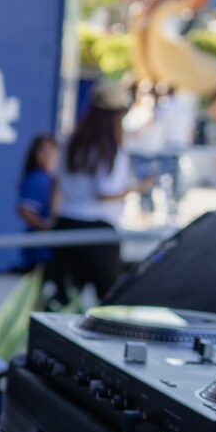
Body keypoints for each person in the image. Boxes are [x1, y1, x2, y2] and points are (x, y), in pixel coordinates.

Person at [52, 82, 136, 300]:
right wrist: (135, 188)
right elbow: (106, 192)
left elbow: (57, 181)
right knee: (110, 300)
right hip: (98, 229)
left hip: (66, 223)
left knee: (63, 299)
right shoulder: (110, 148)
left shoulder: (70, 140)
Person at [16, 132, 59, 274]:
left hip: (50, 252)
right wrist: (46, 228)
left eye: (51, 152)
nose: (47, 156)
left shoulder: (51, 178)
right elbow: (24, 210)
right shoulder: (36, 178)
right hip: (38, 253)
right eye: (43, 152)